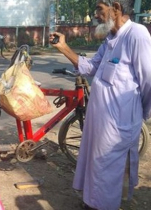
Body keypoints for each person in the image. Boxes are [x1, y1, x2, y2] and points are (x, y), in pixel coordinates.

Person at [50, 0, 151, 209]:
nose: (95, 14)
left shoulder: (137, 34)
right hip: (99, 122)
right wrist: (64, 47)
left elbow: (148, 81)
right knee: (97, 167)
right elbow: (90, 67)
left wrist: (141, 113)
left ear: (116, 7)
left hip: (119, 124)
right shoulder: (110, 39)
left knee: (108, 171)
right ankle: (94, 203)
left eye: (99, 8)